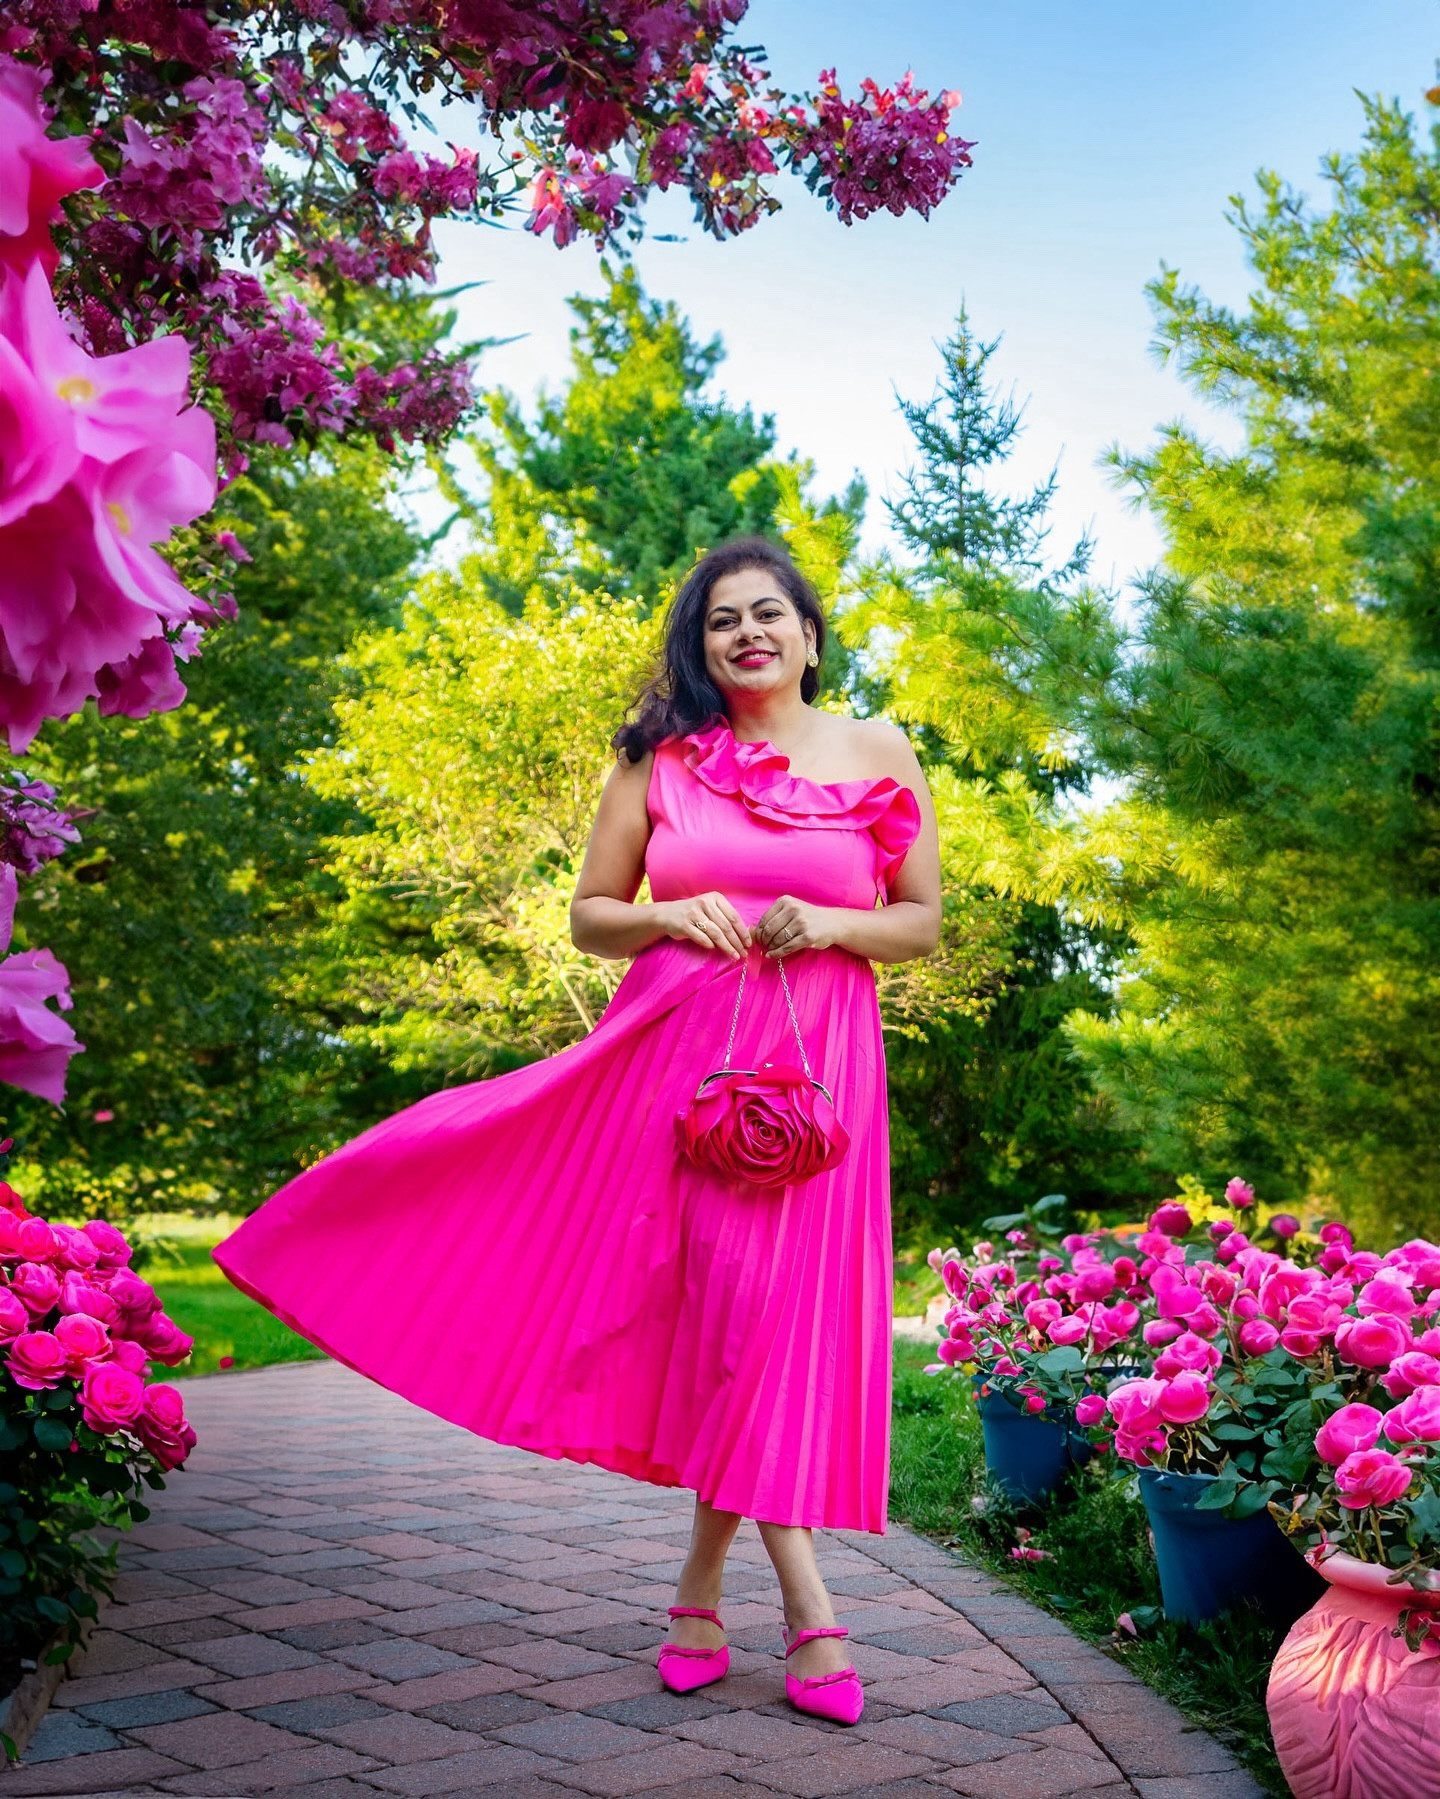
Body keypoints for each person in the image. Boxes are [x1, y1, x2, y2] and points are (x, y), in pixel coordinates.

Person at [214, 535, 941, 1726]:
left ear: (811, 634)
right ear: (700, 646)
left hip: (816, 1084)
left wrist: (833, 922)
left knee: (766, 1319)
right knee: (726, 1314)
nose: (747, 633)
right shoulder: (660, 762)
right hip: (676, 1067)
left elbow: (920, 922)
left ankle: (702, 1588)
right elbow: (589, 917)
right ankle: (810, 1605)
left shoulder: (877, 751)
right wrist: (664, 912)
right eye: (721, 621)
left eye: (769, 613)